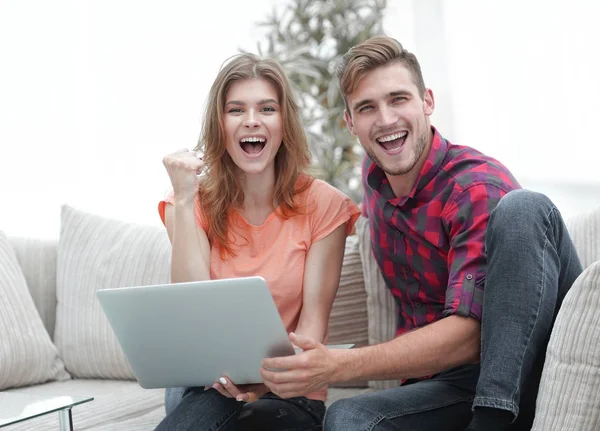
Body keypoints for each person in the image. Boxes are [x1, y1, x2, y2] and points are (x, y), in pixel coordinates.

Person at [260, 36, 583, 431]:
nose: (385, 119)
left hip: (521, 369)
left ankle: (492, 421)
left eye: (398, 99)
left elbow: (470, 336)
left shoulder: (475, 189)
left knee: (524, 207)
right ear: (350, 124)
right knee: (349, 419)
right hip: (451, 385)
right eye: (367, 108)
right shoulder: (377, 176)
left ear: (427, 102)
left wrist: (338, 365)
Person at [153, 53, 360, 431]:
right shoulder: (189, 203)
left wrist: (264, 381)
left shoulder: (325, 205)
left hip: (291, 387)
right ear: (220, 124)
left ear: (284, 123)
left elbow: (313, 327)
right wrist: (184, 200)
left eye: (267, 108)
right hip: (211, 384)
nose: (252, 120)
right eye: (236, 109)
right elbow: (191, 308)